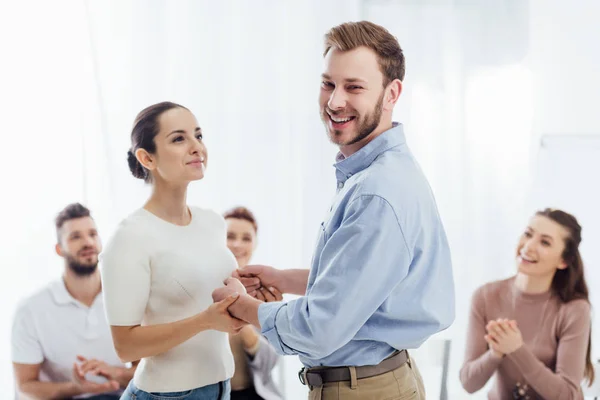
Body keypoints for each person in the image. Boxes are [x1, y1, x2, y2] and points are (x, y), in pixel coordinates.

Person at [213, 21, 455, 400]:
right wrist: (285, 278)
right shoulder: (376, 175)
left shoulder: (377, 193)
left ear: (392, 93)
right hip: (375, 380)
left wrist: (242, 306)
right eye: (329, 83)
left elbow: (319, 329)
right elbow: (362, 283)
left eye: (354, 87)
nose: (335, 101)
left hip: (362, 389)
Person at [100, 102, 246, 400]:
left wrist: (248, 294)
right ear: (146, 158)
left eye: (199, 135)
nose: (196, 147)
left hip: (221, 387)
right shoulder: (130, 238)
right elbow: (125, 346)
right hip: (167, 395)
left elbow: (205, 293)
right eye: (179, 138)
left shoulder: (212, 222)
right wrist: (204, 321)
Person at [460, 208, 594, 399]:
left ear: (564, 261)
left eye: (545, 242)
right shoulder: (485, 296)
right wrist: (496, 352)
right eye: (528, 234)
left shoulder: (574, 309)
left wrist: (516, 349)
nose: (529, 246)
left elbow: (568, 395)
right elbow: (469, 383)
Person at [12, 203, 136, 399]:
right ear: (59, 249)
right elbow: (25, 386)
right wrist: (77, 388)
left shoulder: (127, 298)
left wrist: (115, 373)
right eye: (76, 237)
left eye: (92, 234)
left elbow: (147, 371)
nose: (87, 242)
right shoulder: (31, 310)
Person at [224, 206, 283, 400]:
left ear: (255, 244)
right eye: (230, 236)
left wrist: (244, 317)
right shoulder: (198, 289)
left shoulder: (267, 293)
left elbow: (271, 361)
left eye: (246, 238)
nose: (237, 244)